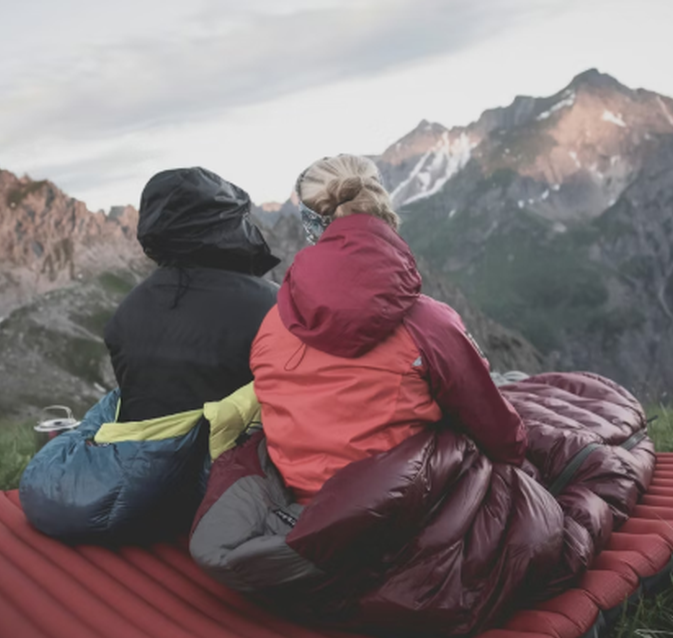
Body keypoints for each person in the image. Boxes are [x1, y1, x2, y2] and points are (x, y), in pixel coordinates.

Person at [250, 155, 528, 502]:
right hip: (402, 512)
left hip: (304, 509)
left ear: (310, 222)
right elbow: (501, 436)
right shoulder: (428, 323)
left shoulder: (274, 323)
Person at [105, 167, 280, 422]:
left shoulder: (125, 313)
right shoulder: (272, 305)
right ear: (227, 225)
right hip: (236, 458)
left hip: (146, 459)